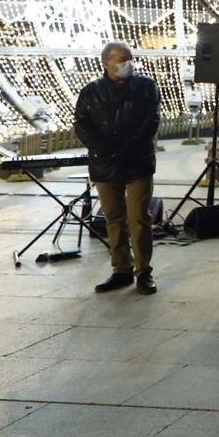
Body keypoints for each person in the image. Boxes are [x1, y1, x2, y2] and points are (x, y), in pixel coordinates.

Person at [74, 41, 162, 295]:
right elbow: (81, 124)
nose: (128, 64)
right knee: (114, 218)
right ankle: (121, 268)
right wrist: (104, 149)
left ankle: (143, 272)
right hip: (105, 164)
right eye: (122, 59)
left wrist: (130, 147)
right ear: (106, 63)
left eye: (130, 58)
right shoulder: (91, 91)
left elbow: (151, 119)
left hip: (138, 161)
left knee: (139, 218)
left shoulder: (146, 86)